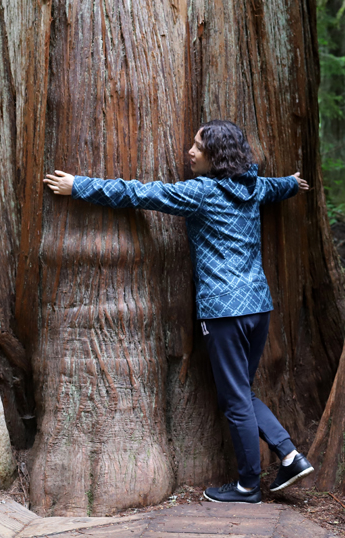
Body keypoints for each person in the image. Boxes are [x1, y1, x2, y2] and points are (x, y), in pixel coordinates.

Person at [43, 119, 315, 504]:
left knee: (235, 399)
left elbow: (139, 194)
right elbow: (276, 187)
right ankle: (289, 455)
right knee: (241, 392)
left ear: (215, 156)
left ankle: (248, 486)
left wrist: (79, 186)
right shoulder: (253, 187)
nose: (189, 151)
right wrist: (292, 183)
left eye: (197, 146)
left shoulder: (200, 193)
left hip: (223, 313)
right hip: (258, 308)